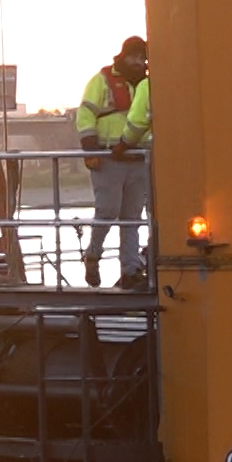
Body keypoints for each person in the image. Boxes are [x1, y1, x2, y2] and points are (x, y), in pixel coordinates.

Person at [75, 38, 150, 289]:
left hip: (138, 157)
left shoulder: (146, 85)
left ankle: (130, 269)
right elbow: (85, 113)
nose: (138, 62)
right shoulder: (102, 81)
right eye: (134, 57)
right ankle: (93, 255)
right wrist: (90, 149)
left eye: (142, 57)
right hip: (108, 157)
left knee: (131, 217)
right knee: (107, 211)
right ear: (123, 56)